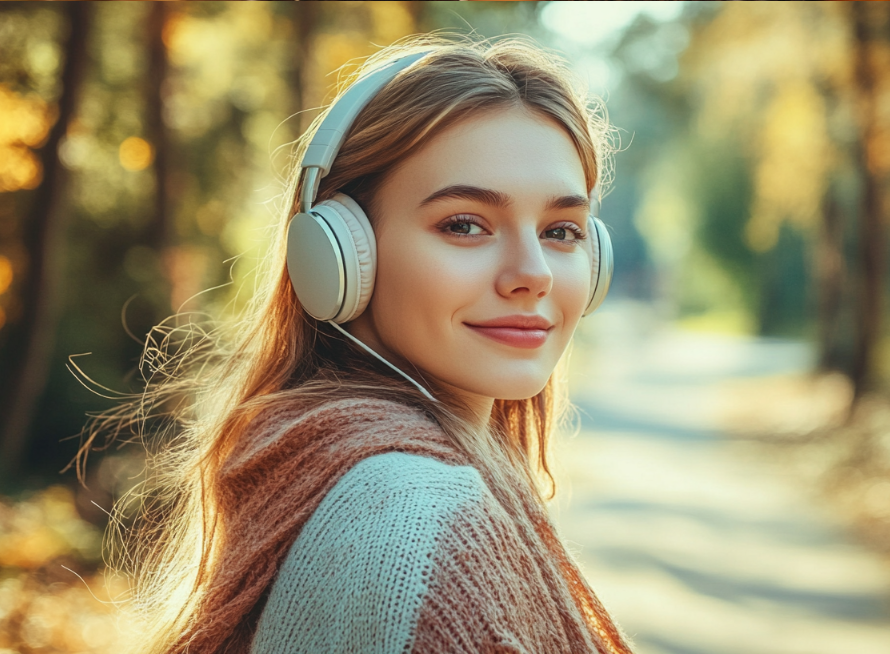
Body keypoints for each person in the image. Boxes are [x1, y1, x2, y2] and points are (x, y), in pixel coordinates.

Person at [91, 34, 631, 654]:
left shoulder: (341, 472)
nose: (532, 272)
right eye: (464, 225)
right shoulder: (421, 521)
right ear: (341, 252)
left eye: (561, 230)